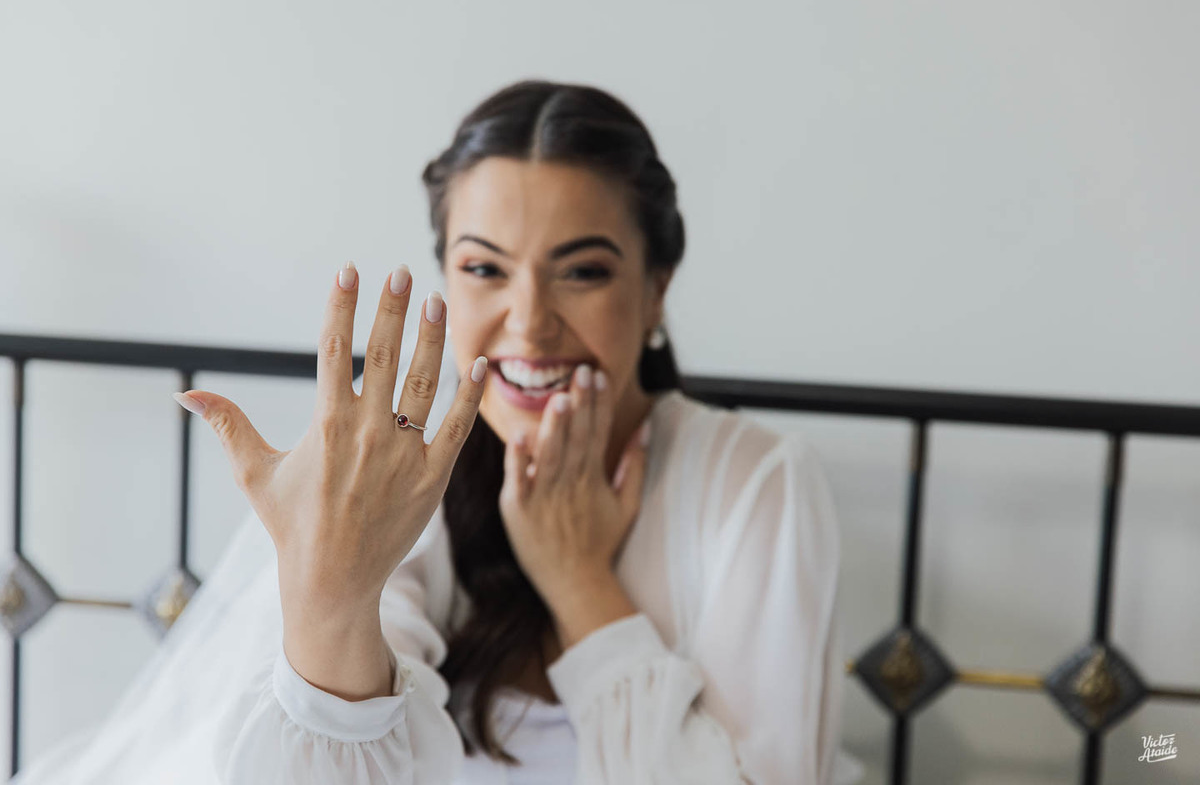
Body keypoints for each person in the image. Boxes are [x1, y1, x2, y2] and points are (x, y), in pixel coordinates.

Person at [11, 80, 862, 784]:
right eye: (485, 268)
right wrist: (331, 593)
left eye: (583, 271)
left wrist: (580, 583)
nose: (530, 323)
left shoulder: (755, 483)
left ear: (656, 289)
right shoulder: (400, 471)